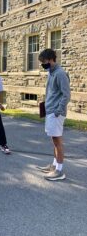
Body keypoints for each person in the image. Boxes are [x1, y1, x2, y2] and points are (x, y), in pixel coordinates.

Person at [37, 48, 70, 181]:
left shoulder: (60, 73)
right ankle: (55, 165)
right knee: (54, 141)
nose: (43, 64)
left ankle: (59, 171)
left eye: (44, 61)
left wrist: (58, 111)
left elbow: (66, 95)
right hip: (50, 111)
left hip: (56, 113)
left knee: (57, 142)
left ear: (51, 59)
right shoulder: (51, 72)